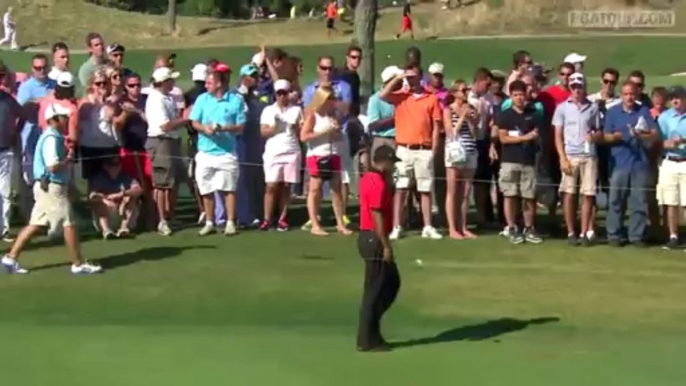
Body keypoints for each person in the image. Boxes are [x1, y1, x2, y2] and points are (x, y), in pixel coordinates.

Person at [1, 104, 102, 275]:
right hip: (52, 187)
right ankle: (78, 264)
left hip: (45, 187)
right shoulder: (52, 138)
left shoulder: (53, 137)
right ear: (53, 119)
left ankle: (10, 258)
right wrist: (68, 159)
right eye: (63, 117)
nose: (66, 119)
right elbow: (52, 166)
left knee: (36, 224)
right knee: (68, 223)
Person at [381, 65, 443, 240]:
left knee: (425, 189)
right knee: (401, 189)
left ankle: (428, 226)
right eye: (408, 77)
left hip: (424, 149)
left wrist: (434, 149)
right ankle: (397, 226)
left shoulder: (431, 98)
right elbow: (383, 95)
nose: (410, 80)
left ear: (420, 77)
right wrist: (398, 78)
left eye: (413, 76)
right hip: (404, 149)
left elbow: (436, 126)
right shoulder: (401, 96)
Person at [190, 63, 245, 236]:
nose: (206, 85)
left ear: (219, 83)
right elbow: (194, 122)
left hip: (226, 152)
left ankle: (230, 222)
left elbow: (240, 126)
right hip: (205, 152)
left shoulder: (235, 100)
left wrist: (223, 128)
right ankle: (209, 221)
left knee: (229, 188)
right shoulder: (202, 99)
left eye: (209, 82)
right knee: (205, 188)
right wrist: (204, 129)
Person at [356, 145, 401, 353]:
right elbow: (377, 216)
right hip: (373, 239)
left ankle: (370, 331)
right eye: (391, 164)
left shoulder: (371, 179)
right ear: (383, 163)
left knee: (390, 281)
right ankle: (367, 338)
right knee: (375, 291)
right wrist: (386, 245)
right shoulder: (377, 183)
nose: (393, 168)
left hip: (368, 238)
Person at [604, 81, 658, 247]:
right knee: (616, 201)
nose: (629, 97)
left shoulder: (643, 112)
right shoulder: (613, 112)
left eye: (632, 94)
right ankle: (614, 234)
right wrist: (619, 136)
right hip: (619, 162)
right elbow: (606, 136)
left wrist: (641, 135)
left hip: (639, 163)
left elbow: (654, 134)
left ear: (636, 94)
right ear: (622, 94)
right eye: (626, 94)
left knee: (639, 201)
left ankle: (636, 236)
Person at [553, 73, 601, 246]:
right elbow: (558, 136)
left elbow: (598, 130)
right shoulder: (562, 108)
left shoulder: (593, 107)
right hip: (570, 156)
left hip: (589, 155)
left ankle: (583, 233)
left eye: (579, 86)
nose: (576, 90)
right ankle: (571, 232)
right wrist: (562, 158)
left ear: (584, 87)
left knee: (588, 194)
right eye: (573, 86)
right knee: (569, 194)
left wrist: (594, 136)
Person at [300, 85, 352, 236]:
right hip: (317, 154)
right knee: (315, 188)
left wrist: (336, 132)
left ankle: (340, 223)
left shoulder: (333, 115)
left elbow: (338, 136)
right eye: (330, 98)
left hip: (333, 153)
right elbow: (304, 136)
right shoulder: (313, 116)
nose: (333, 101)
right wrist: (323, 132)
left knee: (336, 189)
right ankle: (315, 224)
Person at [497, 80, 543, 245]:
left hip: (528, 160)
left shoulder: (533, 113)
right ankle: (511, 227)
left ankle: (529, 227)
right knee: (510, 195)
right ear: (511, 96)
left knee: (529, 195)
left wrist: (529, 137)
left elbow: (536, 133)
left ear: (526, 95)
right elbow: (503, 138)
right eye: (515, 95)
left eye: (521, 95)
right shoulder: (505, 115)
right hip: (510, 160)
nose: (519, 98)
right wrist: (524, 137)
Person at [145, 67, 190, 236]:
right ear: (164, 82)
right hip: (161, 141)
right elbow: (165, 126)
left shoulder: (166, 98)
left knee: (171, 181)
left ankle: (169, 215)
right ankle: (162, 220)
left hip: (170, 140)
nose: (173, 83)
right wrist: (185, 119)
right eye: (171, 80)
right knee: (161, 183)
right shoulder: (156, 99)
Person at [258, 79, 302, 231]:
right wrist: (276, 127)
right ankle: (267, 219)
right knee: (271, 186)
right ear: (275, 94)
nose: (282, 96)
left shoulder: (296, 110)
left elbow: (300, 133)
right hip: (273, 151)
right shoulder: (268, 111)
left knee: (286, 185)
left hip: (291, 150)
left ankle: (283, 219)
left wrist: (295, 126)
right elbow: (263, 132)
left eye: (285, 93)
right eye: (279, 93)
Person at [444, 81, 479, 239]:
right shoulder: (448, 109)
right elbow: (451, 133)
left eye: (467, 90)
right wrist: (462, 117)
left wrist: (472, 121)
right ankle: (452, 228)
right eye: (463, 90)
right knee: (452, 191)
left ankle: (463, 226)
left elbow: (476, 133)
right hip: (455, 152)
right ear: (454, 93)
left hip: (470, 150)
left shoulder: (472, 108)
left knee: (465, 192)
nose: (465, 93)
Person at [77, 69, 124, 187]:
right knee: (93, 181)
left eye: (104, 83)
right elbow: (82, 115)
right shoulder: (85, 101)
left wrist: (107, 102)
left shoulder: (112, 100)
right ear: (91, 85)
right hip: (91, 146)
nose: (101, 86)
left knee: (112, 179)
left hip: (110, 145)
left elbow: (112, 116)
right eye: (98, 83)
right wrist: (98, 102)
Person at [656, 86, 686, 249]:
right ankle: (673, 236)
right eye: (673, 98)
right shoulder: (664, 117)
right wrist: (666, 143)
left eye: (679, 97)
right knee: (670, 201)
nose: (675, 101)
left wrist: (683, 141)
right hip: (669, 160)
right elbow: (658, 141)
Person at [88, 156, 142, 238]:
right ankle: (106, 231)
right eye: (111, 165)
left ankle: (124, 228)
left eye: (117, 164)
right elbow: (91, 196)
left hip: (123, 213)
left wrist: (122, 194)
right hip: (106, 213)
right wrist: (105, 200)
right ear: (105, 166)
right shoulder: (99, 178)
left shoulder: (126, 177)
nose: (115, 168)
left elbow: (138, 190)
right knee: (98, 203)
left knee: (131, 199)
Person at [0, 65, 23, 242]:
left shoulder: (8, 99)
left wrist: (15, 132)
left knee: (5, 191)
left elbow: (20, 114)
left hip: (5, 150)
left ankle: (4, 229)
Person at [368, 66, 402, 154]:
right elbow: (373, 125)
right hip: (383, 140)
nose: (402, 82)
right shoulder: (375, 99)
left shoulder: (402, 96)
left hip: (401, 141)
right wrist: (393, 119)